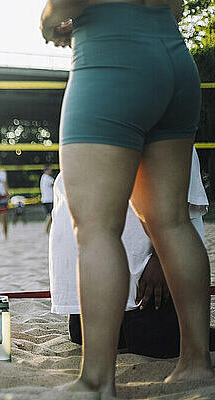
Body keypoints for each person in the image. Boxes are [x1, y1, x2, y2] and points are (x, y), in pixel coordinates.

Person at [41, 0, 213, 395]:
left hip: (110, 59)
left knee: (97, 229)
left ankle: (98, 380)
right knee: (172, 220)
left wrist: (50, 24)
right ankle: (197, 363)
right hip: (172, 56)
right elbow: (177, 10)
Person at [50, 148, 214, 358]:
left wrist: (161, 258)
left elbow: (179, 201)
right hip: (96, 281)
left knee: (152, 342)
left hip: (146, 274)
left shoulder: (164, 124)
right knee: (81, 336)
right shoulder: (90, 127)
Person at [39, 166, 54, 233]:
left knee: (50, 215)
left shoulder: (43, 177)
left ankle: (47, 229)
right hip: (49, 199)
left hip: (46, 199)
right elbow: (54, 185)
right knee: (51, 215)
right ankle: (47, 230)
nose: (51, 171)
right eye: (50, 170)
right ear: (46, 170)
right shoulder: (47, 178)